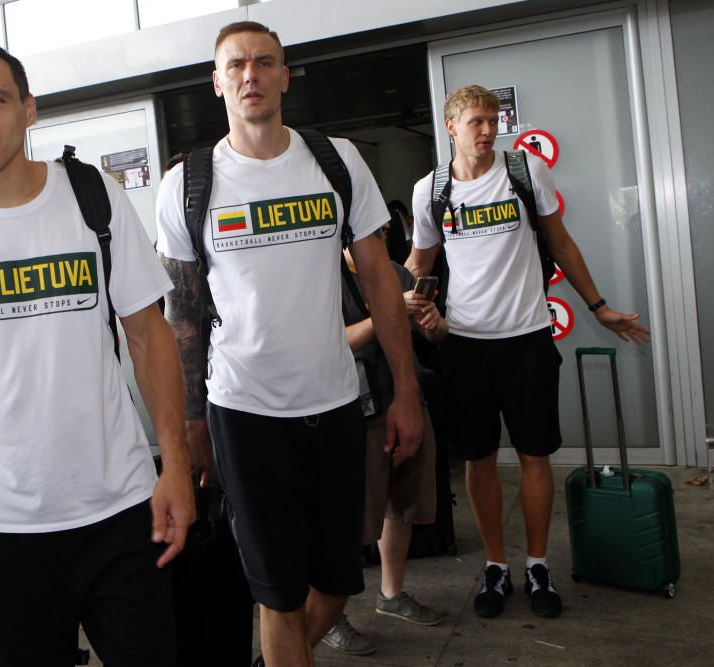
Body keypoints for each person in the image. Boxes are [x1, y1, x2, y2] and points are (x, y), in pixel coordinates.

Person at [0, 42, 193, 666]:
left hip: (120, 510)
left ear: (28, 110)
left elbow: (148, 335)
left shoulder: (90, 197)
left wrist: (176, 467)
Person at [156, 22, 423, 667]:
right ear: (217, 82)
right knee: (277, 595)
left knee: (334, 584)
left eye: (264, 62)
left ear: (284, 75)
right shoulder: (187, 185)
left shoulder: (335, 159)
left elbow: (383, 283)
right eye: (236, 65)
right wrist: (190, 422)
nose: (250, 74)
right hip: (243, 411)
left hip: (335, 404)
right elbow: (182, 317)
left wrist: (407, 390)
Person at [406, 84, 650, 620]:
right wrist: (394, 296)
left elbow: (560, 242)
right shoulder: (431, 191)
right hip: (465, 344)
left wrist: (598, 305)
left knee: (536, 455)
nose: (489, 130)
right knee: (480, 458)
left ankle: (537, 564)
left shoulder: (524, 172)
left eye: (493, 120)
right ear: (452, 127)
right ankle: (496, 567)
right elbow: (419, 261)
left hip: (529, 338)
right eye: (476, 121)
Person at [322, 250, 446, 657]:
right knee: (349, 518)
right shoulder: (322, 273)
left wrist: (431, 323)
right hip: (357, 409)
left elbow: (435, 337)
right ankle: (328, 617)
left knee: (404, 503)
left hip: (406, 400)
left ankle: (391, 594)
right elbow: (329, 341)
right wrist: (386, 317)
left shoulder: (395, 272)